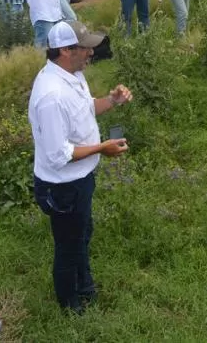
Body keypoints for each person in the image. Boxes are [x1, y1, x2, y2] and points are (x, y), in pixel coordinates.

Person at [29, 20, 132, 313]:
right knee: (68, 246)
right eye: (85, 48)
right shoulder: (51, 95)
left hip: (81, 177)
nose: (91, 53)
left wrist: (112, 101)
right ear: (65, 50)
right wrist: (103, 148)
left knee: (82, 234)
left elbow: (87, 109)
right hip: (62, 187)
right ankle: (70, 306)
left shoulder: (72, 75)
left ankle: (84, 287)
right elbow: (58, 155)